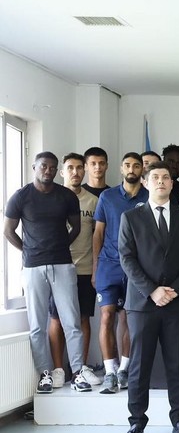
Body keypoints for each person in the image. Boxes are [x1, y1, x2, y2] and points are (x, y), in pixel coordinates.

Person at [118, 160, 179, 433]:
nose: (161, 181)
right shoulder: (131, 218)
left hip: (176, 303)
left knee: (177, 364)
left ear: (172, 183)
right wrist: (152, 291)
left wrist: (175, 289)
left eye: (166, 177)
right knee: (139, 366)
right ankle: (136, 423)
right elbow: (127, 258)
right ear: (145, 182)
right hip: (142, 304)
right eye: (155, 177)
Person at [4, 152, 91, 393]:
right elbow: (8, 231)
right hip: (33, 267)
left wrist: (61, 246)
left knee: (72, 322)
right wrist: (28, 250)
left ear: (57, 170)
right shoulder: (21, 196)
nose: (48, 171)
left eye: (53, 167)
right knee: (37, 325)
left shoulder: (66, 196)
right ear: (35, 167)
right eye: (44, 166)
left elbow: (76, 227)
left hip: (63, 265)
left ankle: (77, 373)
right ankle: (45, 374)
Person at [93, 152, 148, 394]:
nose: (132, 169)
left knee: (127, 318)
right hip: (109, 265)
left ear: (142, 170)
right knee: (106, 316)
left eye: (136, 165)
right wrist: (95, 268)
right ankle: (109, 371)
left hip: (136, 267)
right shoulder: (107, 196)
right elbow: (98, 233)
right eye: (127, 165)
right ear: (121, 168)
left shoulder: (149, 196)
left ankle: (124, 369)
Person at [47, 153, 100, 388]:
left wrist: (96, 268)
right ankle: (58, 369)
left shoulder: (93, 201)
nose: (75, 172)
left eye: (79, 168)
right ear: (62, 172)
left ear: (84, 171)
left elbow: (97, 236)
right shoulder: (52, 198)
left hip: (85, 268)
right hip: (57, 267)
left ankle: (80, 368)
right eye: (70, 168)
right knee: (56, 318)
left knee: (82, 318)